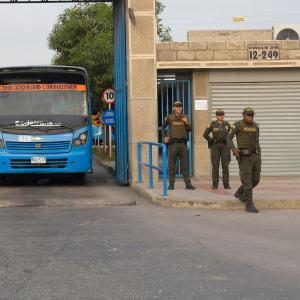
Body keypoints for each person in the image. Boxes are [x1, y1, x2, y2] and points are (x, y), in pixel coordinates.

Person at [227, 107, 261, 213]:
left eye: (252, 115)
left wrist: (259, 156)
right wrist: (234, 149)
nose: (251, 117)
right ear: (243, 115)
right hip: (244, 157)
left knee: (256, 179)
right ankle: (249, 204)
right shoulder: (237, 125)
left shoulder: (255, 126)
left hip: (255, 156)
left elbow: (257, 141)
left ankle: (239, 192)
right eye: (248, 115)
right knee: (248, 181)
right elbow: (228, 138)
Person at [162, 101, 196, 190]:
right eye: (177, 107)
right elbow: (162, 127)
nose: (179, 108)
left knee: (185, 166)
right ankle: (171, 185)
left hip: (183, 145)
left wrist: (187, 123)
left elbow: (189, 129)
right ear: (174, 108)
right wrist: (164, 137)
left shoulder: (185, 117)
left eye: (180, 106)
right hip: (173, 145)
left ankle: (188, 184)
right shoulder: (169, 117)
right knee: (172, 165)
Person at [203, 109, 231, 190]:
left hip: (225, 146)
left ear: (223, 116)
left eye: (222, 115)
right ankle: (215, 184)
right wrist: (211, 140)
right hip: (215, 146)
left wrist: (228, 141)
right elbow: (205, 135)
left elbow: (231, 134)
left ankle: (226, 184)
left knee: (225, 166)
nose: (220, 117)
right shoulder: (212, 125)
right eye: (219, 115)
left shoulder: (227, 125)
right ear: (216, 116)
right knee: (215, 166)